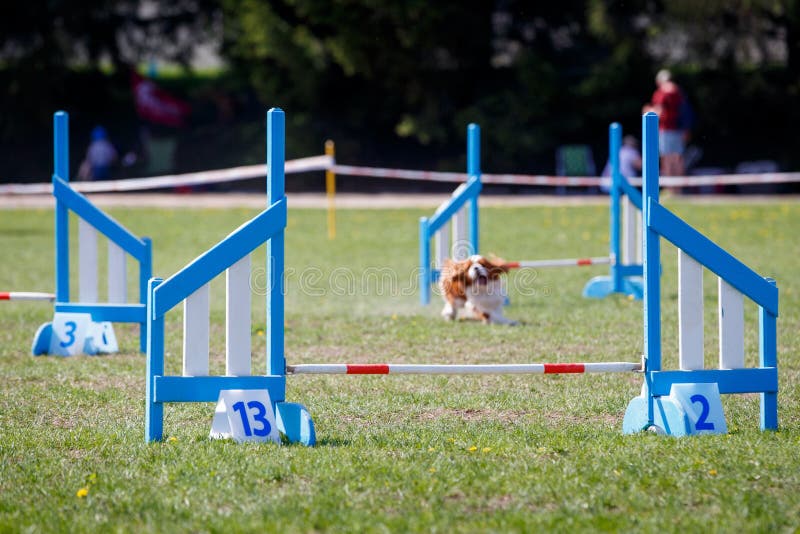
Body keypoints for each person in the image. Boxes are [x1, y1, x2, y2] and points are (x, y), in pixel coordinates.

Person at [644, 69, 684, 176]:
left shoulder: (661, 92)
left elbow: (658, 112)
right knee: (677, 158)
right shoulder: (677, 91)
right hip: (677, 129)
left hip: (665, 129)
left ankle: (670, 188)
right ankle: (678, 189)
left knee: (666, 159)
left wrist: (647, 110)